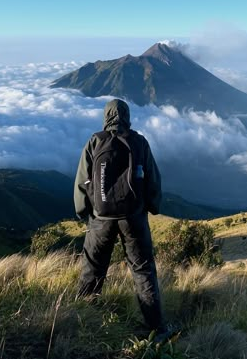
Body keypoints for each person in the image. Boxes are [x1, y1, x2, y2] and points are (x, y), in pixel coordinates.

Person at [74, 98, 166, 336]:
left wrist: (85, 212)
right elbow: (152, 180)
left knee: (93, 269)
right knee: (143, 270)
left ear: (106, 117)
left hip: (100, 219)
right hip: (133, 217)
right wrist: (152, 206)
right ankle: (156, 329)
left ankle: (82, 322)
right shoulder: (139, 142)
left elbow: (83, 181)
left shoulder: (95, 141)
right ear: (127, 116)